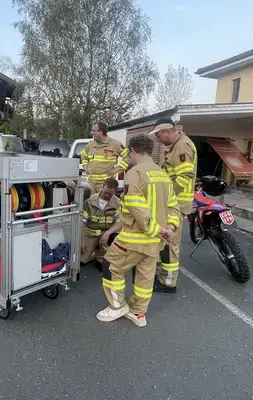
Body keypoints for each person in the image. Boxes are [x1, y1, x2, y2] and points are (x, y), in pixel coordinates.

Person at [97, 134, 181, 328]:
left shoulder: (135, 173)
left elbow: (136, 206)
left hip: (135, 238)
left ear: (133, 150)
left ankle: (117, 307)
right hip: (155, 241)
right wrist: (169, 228)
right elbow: (173, 206)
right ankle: (138, 313)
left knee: (110, 265)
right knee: (145, 275)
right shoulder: (163, 174)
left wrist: (155, 229)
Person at [149, 117, 197, 293]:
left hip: (176, 204)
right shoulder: (176, 145)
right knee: (166, 242)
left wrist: (168, 197)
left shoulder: (182, 147)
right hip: (174, 203)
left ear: (167, 131)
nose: (158, 139)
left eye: (159, 135)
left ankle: (168, 282)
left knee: (170, 244)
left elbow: (185, 177)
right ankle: (164, 276)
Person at [81, 177, 123, 270]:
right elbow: (82, 222)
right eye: (106, 192)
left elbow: (120, 222)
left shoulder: (117, 203)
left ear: (115, 192)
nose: (107, 195)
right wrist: (82, 242)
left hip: (106, 236)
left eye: (110, 194)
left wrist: (108, 233)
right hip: (91, 234)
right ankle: (94, 253)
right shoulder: (90, 201)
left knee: (107, 264)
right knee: (82, 260)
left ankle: (101, 255)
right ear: (103, 187)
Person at [79, 121, 130, 196]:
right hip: (91, 184)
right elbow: (83, 155)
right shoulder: (91, 145)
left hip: (106, 185)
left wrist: (116, 170)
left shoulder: (115, 144)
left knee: (104, 205)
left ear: (101, 131)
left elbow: (128, 157)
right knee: (90, 205)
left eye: (93, 130)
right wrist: (86, 167)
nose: (91, 132)